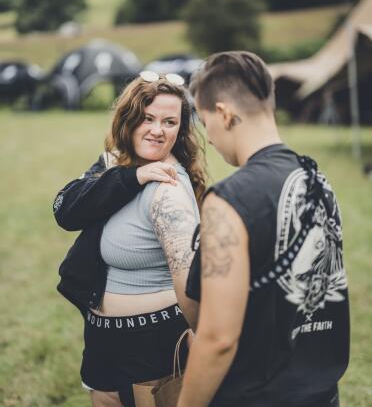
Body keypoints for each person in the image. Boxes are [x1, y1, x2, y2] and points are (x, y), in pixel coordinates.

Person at [178, 51, 349, 407]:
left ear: (224, 113)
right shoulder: (318, 181)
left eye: (204, 120)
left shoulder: (228, 201)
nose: (207, 137)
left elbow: (218, 338)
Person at [53, 72, 205, 407]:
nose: (157, 130)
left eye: (169, 121)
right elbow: (65, 211)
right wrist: (130, 176)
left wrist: (204, 338)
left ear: (180, 129)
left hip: (154, 345)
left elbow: (190, 277)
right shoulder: (115, 163)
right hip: (101, 338)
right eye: (147, 118)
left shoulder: (168, 192)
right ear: (129, 119)